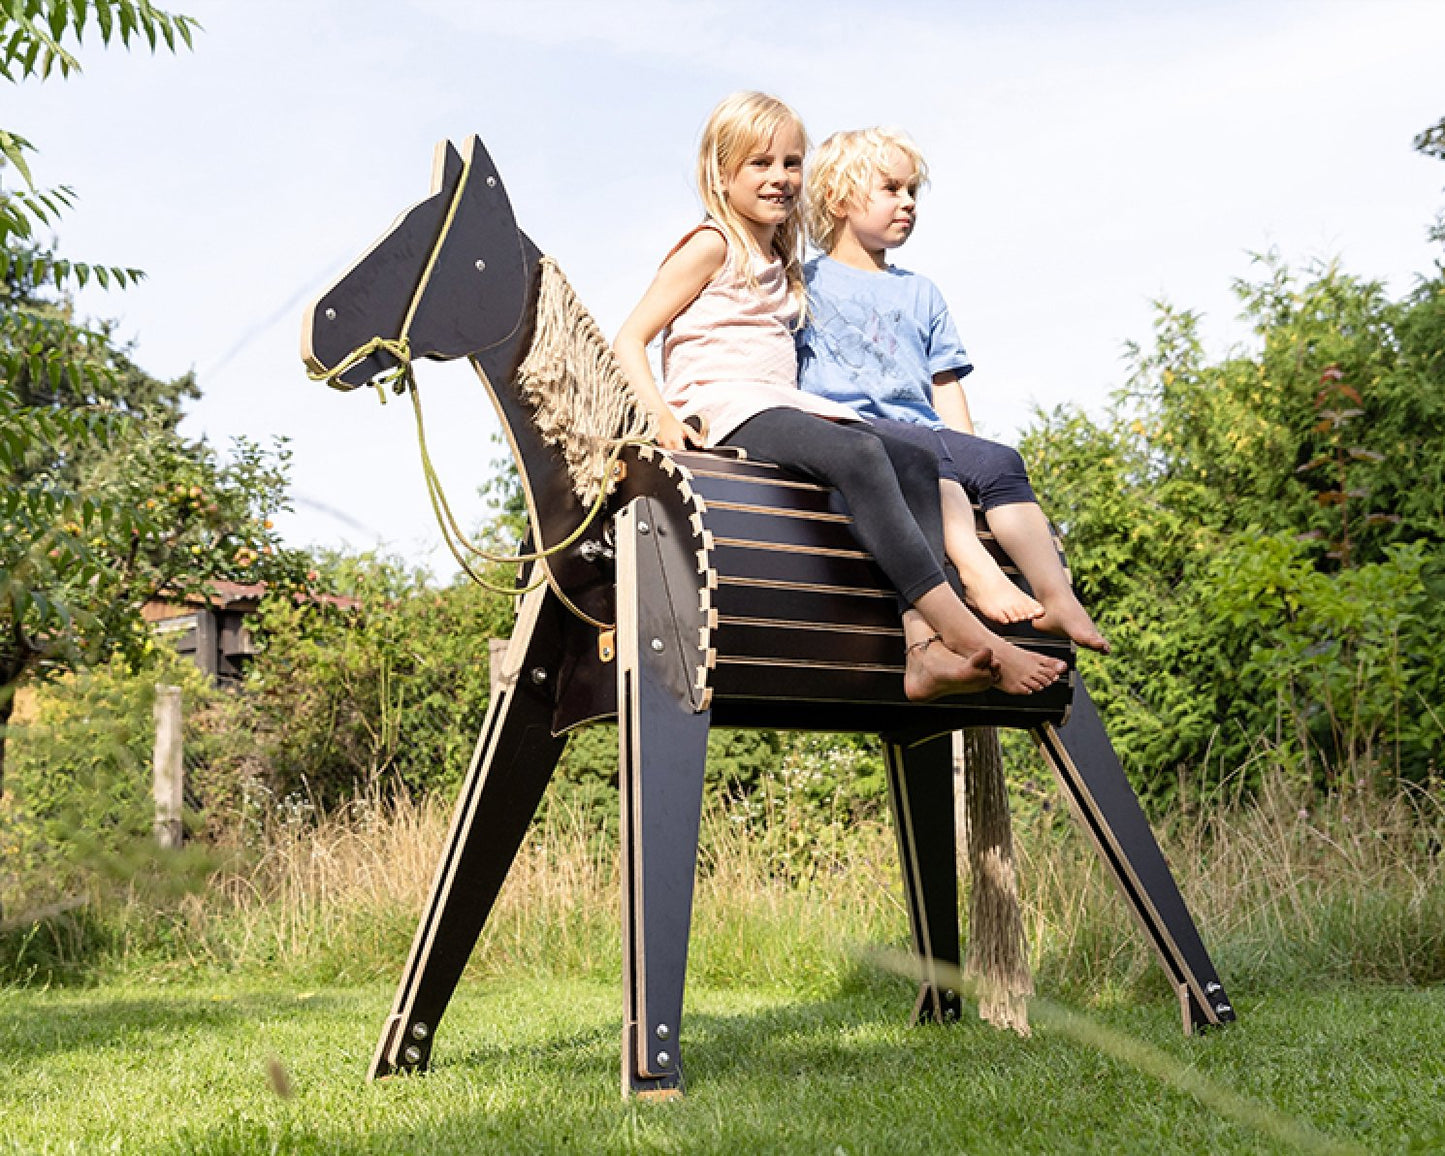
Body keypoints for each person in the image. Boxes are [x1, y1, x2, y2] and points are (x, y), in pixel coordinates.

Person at [612, 92, 1068, 698]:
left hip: (778, 402)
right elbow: (629, 337)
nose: (780, 178)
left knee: (914, 457)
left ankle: (922, 649)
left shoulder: (777, 256)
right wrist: (662, 416)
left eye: (791, 162)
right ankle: (965, 631)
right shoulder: (711, 244)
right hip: (727, 405)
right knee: (858, 457)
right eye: (760, 163)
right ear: (722, 174)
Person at [798, 127, 1110, 654]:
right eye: (892, 188)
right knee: (925, 453)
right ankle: (975, 569)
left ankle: (1058, 596)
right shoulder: (807, 282)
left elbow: (945, 385)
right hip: (854, 429)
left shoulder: (921, 291)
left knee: (1001, 460)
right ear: (837, 197)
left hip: (924, 431)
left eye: (913, 192)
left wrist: (969, 457)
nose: (908, 203)